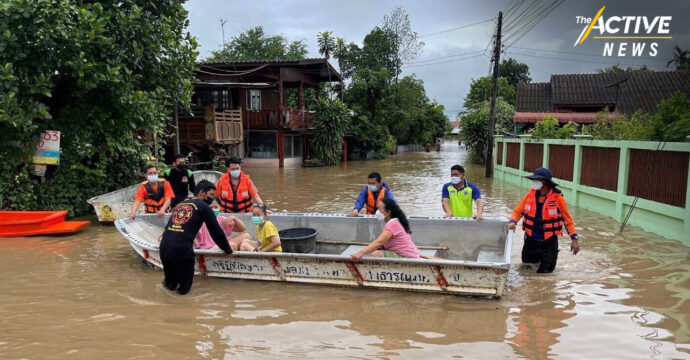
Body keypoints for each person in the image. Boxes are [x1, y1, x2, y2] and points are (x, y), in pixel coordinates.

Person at [159, 180, 233, 294]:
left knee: (169, 284)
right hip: (181, 250)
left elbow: (169, 226)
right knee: (184, 291)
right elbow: (216, 232)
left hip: (164, 247)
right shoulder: (204, 207)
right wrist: (228, 250)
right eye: (211, 194)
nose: (212, 198)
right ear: (202, 193)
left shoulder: (181, 204)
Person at [507, 168, 580, 273]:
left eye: (536, 180)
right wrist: (512, 222)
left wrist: (574, 239)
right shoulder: (530, 196)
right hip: (530, 243)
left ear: (544, 181)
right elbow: (518, 211)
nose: (534, 182)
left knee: (545, 275)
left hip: (549, 245)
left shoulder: (558, 198)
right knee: (526, 272)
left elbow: (567, 220)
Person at [350, 198, 420, 261]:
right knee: (372, 249)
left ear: (388, 212)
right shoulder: (396, 221)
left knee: (376, 254)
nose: (377, 212)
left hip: (406, 258)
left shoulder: (393, 224)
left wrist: (360, 253)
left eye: (379, 209)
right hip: (410, 254)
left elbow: (379, 242)